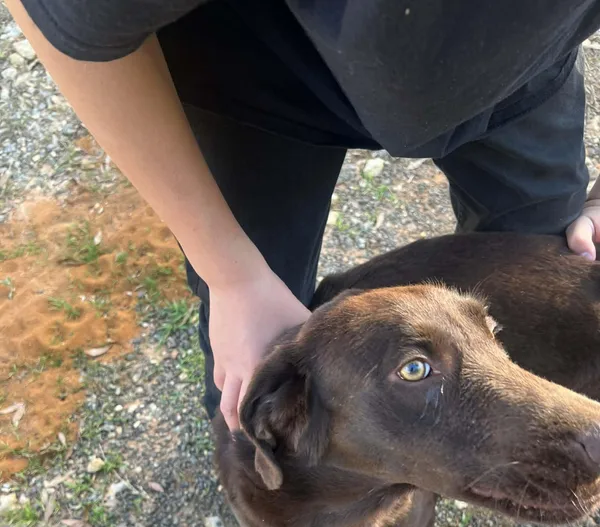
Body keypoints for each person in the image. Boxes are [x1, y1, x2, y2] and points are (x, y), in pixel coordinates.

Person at [7, 0, 600, 431]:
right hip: (252, 79)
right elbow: (50, 12)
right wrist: (232, 273)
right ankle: (257, 464)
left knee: (554, 271)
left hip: (520, 73)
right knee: (256, 352)